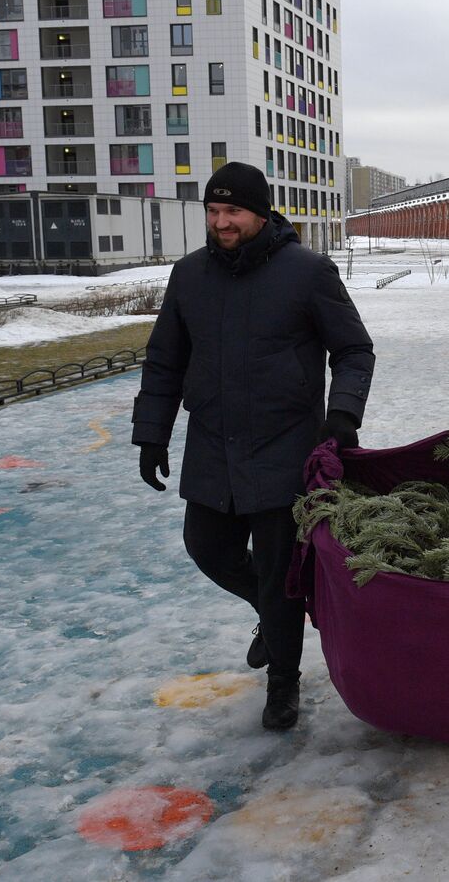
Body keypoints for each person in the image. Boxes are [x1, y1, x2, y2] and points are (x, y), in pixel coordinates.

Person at [132, 161, 375, 731]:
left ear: (260, 213)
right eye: (213, 212)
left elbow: (354, 351)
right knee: (207, 548)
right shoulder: (189, 276)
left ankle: (283, 684)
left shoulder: (308, 272)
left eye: (232, 211)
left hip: (284, 445)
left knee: (277, 568)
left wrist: (342, 414)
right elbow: (165, 360)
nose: (221, 222)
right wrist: (151, 434)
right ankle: (270, 614)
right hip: (214, 444)